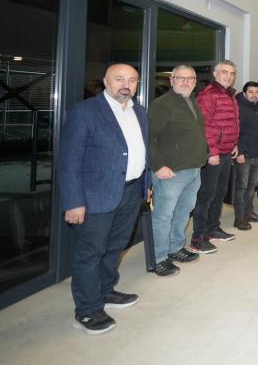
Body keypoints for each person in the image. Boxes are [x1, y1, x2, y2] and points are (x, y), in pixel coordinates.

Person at [59, 64, 150, 334]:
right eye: (119, 79)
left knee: (115, 247)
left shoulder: (139, 112)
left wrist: (146, 186)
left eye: (132, 80)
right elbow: (69, 162)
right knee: (91, 252)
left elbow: (143, 153)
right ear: (106, 82)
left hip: (130, 192)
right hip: (95, 196)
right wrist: (73, 202)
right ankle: (87, 310)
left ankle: (106, 291)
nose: (126, 84)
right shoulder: (84, 112)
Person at [148, 65, 208, 277]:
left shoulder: (191, 101)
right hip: (170, 172)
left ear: (195, 82)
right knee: (164, 215)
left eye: (190, 78)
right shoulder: (161, 104)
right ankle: (158, 257)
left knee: (183, 211)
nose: (186, 82)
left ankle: (175, 247)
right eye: (180, 78)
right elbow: (149, 138)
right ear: (171, 81)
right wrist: (158, 165)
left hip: (193, 169)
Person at [191, 60, 240, 254]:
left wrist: (234, 143)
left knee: (220, 193)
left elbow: (232, 123)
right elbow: (205, 125)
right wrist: (211, 151)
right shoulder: (208, 94)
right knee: (206, 196)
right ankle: (198, 237)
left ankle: (213, 228)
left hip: (227, 152)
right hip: (214, 154)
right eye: (224, 72)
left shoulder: (230, 94)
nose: (228, 76)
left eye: (232, 73)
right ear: (215, 73)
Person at [232, 81, 258, 231]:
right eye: (251, 92)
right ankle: (239, 218)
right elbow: (235, 131)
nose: (254, 95)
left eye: (257, 92)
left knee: (252, 186)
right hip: (244, 155)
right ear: (244, 93)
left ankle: (249, 212)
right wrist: (239, 151)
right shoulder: (238, 108)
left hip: (257, 153)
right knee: (241, 187)